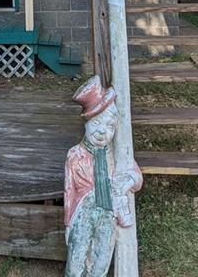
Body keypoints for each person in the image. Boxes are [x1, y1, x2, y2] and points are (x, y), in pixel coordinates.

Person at [64, 76, 143, 277]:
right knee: (76, 261)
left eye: (110, 126)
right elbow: (69, 191)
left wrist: (128, 181)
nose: (102, 131)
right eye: (97, 123)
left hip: (108, 215)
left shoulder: (117, 156)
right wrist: (68, 224)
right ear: (86, 123)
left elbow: (137, 177)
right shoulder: (75, 154)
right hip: (83, 215)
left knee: (101, 263)